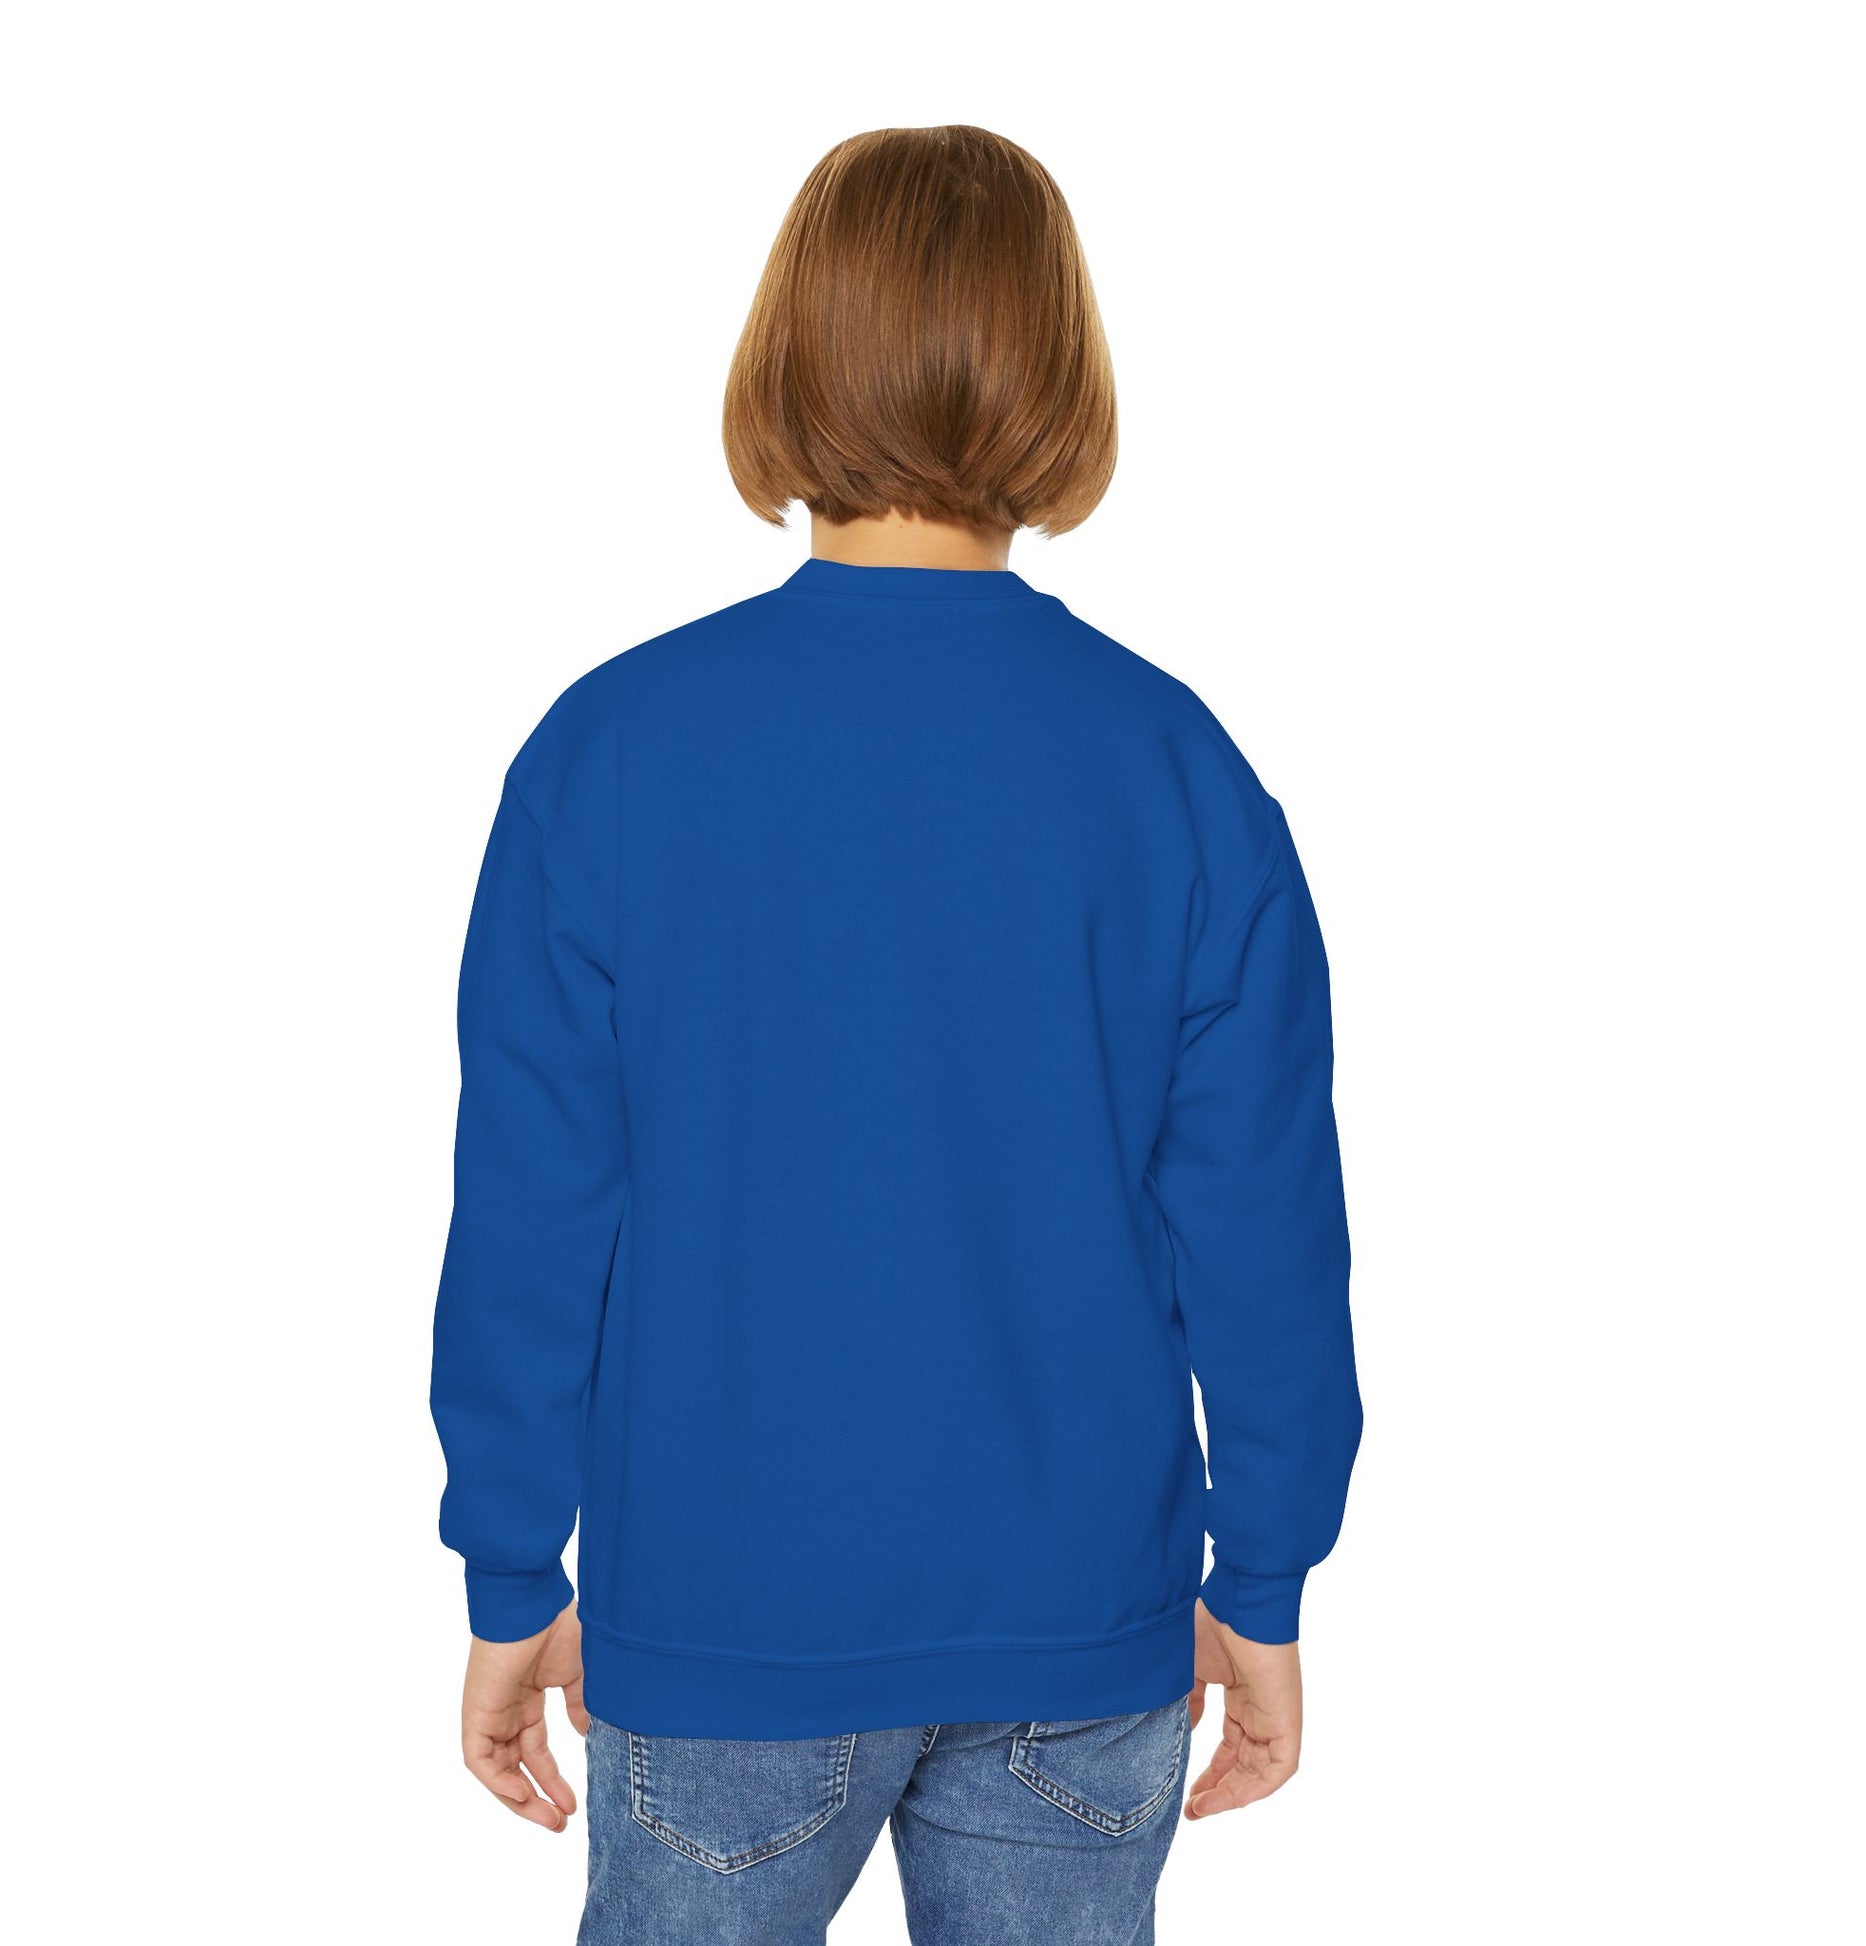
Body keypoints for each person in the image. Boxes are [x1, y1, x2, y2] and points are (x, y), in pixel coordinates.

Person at [431, 124, 1361, 1946]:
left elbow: (533, 1208)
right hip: (1078, 1624)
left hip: (719, 1617)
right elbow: (1265, 1226)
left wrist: (508, 1566)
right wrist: (1261, 1578)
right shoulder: (1173, 767)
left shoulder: (610, 752)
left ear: (788, 356)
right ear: (1058, 375)